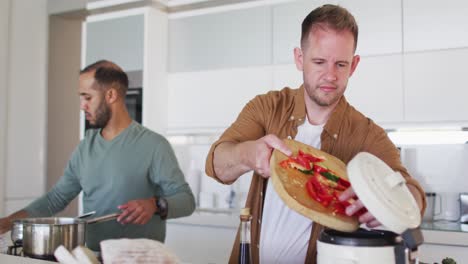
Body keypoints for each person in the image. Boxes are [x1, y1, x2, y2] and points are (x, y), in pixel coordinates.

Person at [205, 4, 426, 264]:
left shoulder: (367, 134)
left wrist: (390, 208)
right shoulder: (267, 107)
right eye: (319, 62)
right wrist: (248, 154)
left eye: (341, 64)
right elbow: (216, 164)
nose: (330, 75)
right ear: (300, 58)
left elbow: (411, 192)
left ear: (353, 65)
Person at [0, 60, 196, 251]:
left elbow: (186, 200)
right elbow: (55, 199)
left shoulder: (154, 145)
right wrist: (9, 222)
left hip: (141, 258)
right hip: (94, 256)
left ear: (110, 95)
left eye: (87, 97)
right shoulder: (85, 148)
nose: (82, 105)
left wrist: (155, 204)